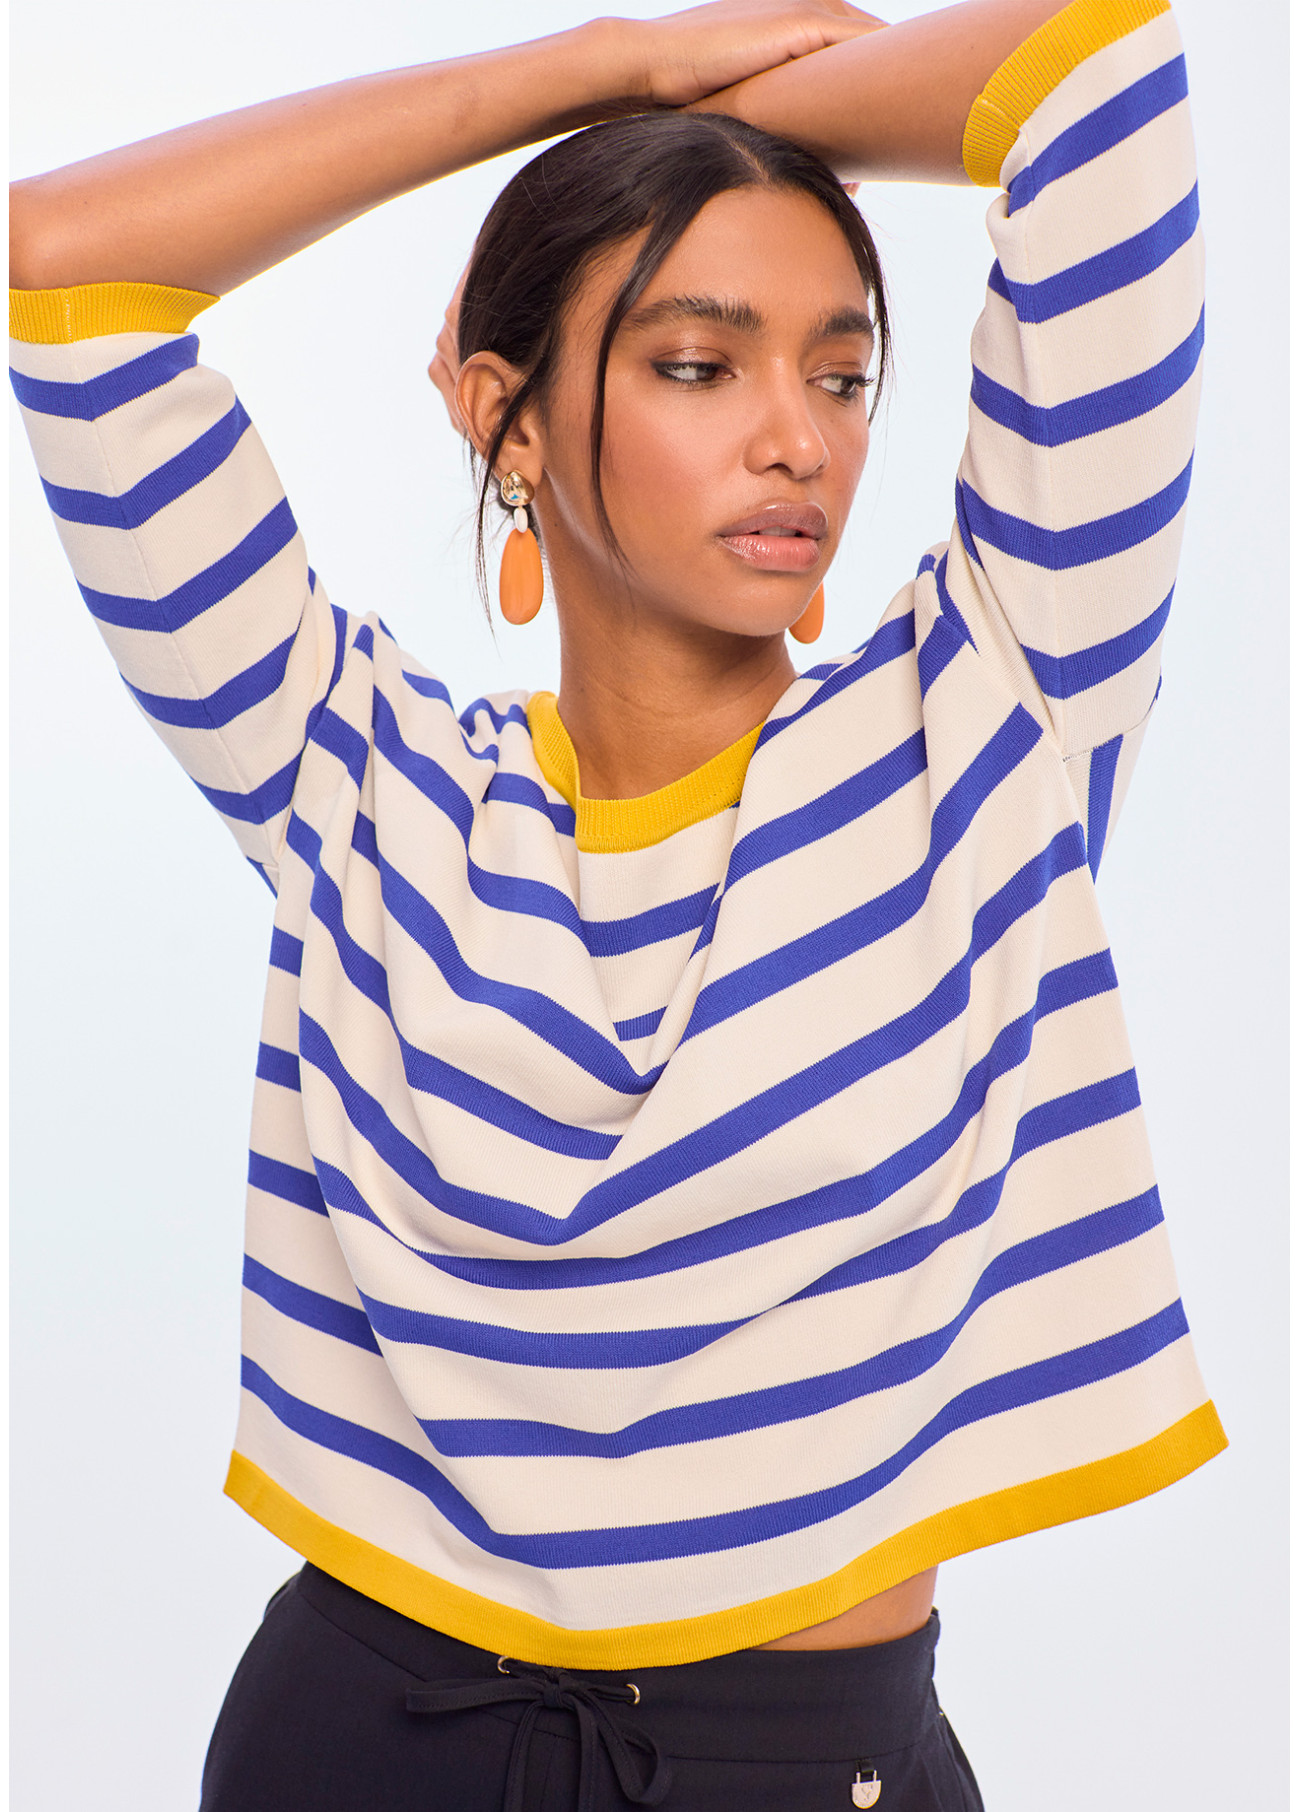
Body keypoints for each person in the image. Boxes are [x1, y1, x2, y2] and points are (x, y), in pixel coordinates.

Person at [9, 0, 1225, 1805]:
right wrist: (588, 76)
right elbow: (63, 264)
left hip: (810, 1764)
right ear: (503, 416)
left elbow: (1098, 73)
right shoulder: (356, 772)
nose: (797, 439)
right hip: (366, 1739)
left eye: (839, 374)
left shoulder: (986, 716)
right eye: (697, 362)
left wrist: (737, 126)